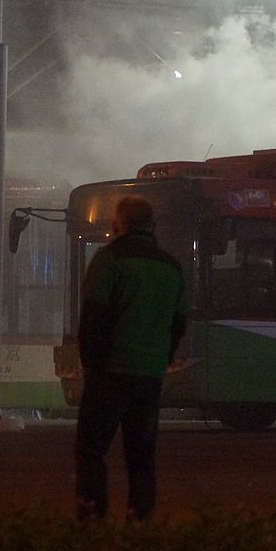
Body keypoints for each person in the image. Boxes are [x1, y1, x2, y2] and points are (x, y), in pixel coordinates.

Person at [75, 195, 187, 523]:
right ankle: (140, 522)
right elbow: (179, 323)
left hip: (110, 373)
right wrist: (160, 359)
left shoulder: (108, 261)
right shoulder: (171, 267)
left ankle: (92, 521)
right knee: (141, 456)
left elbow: (93, 318)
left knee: (91, 450)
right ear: (152, 227)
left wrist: (91, 365)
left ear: (116, 225)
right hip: (149, 376)